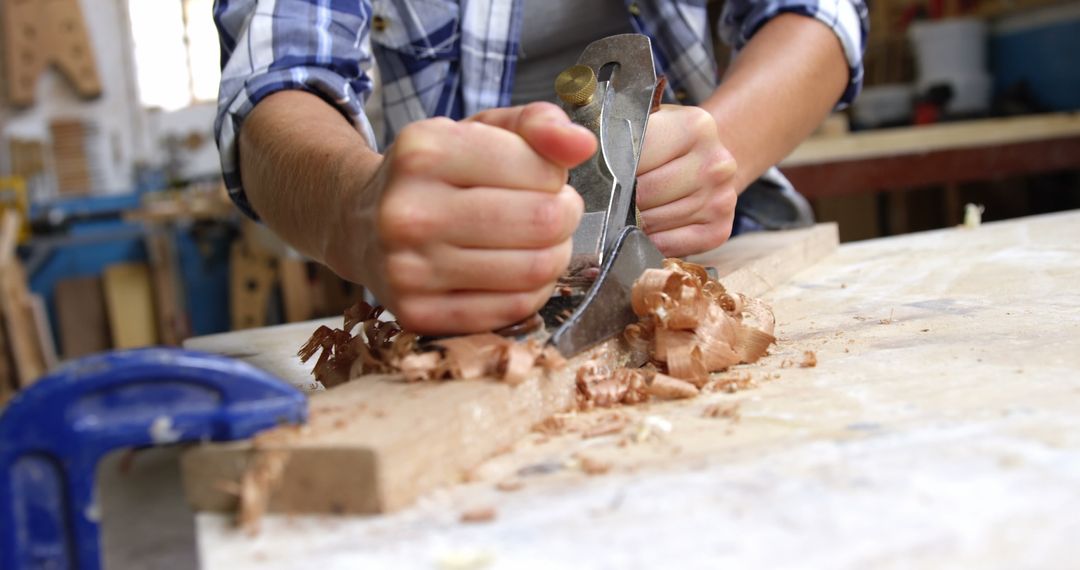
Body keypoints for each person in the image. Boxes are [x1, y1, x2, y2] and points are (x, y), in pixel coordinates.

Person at [212, 0, 868, 335]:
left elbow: (820, 12)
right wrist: (354, 208)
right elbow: (275, 82)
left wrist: (725, 144)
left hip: (715, 243)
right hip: (458, 278)